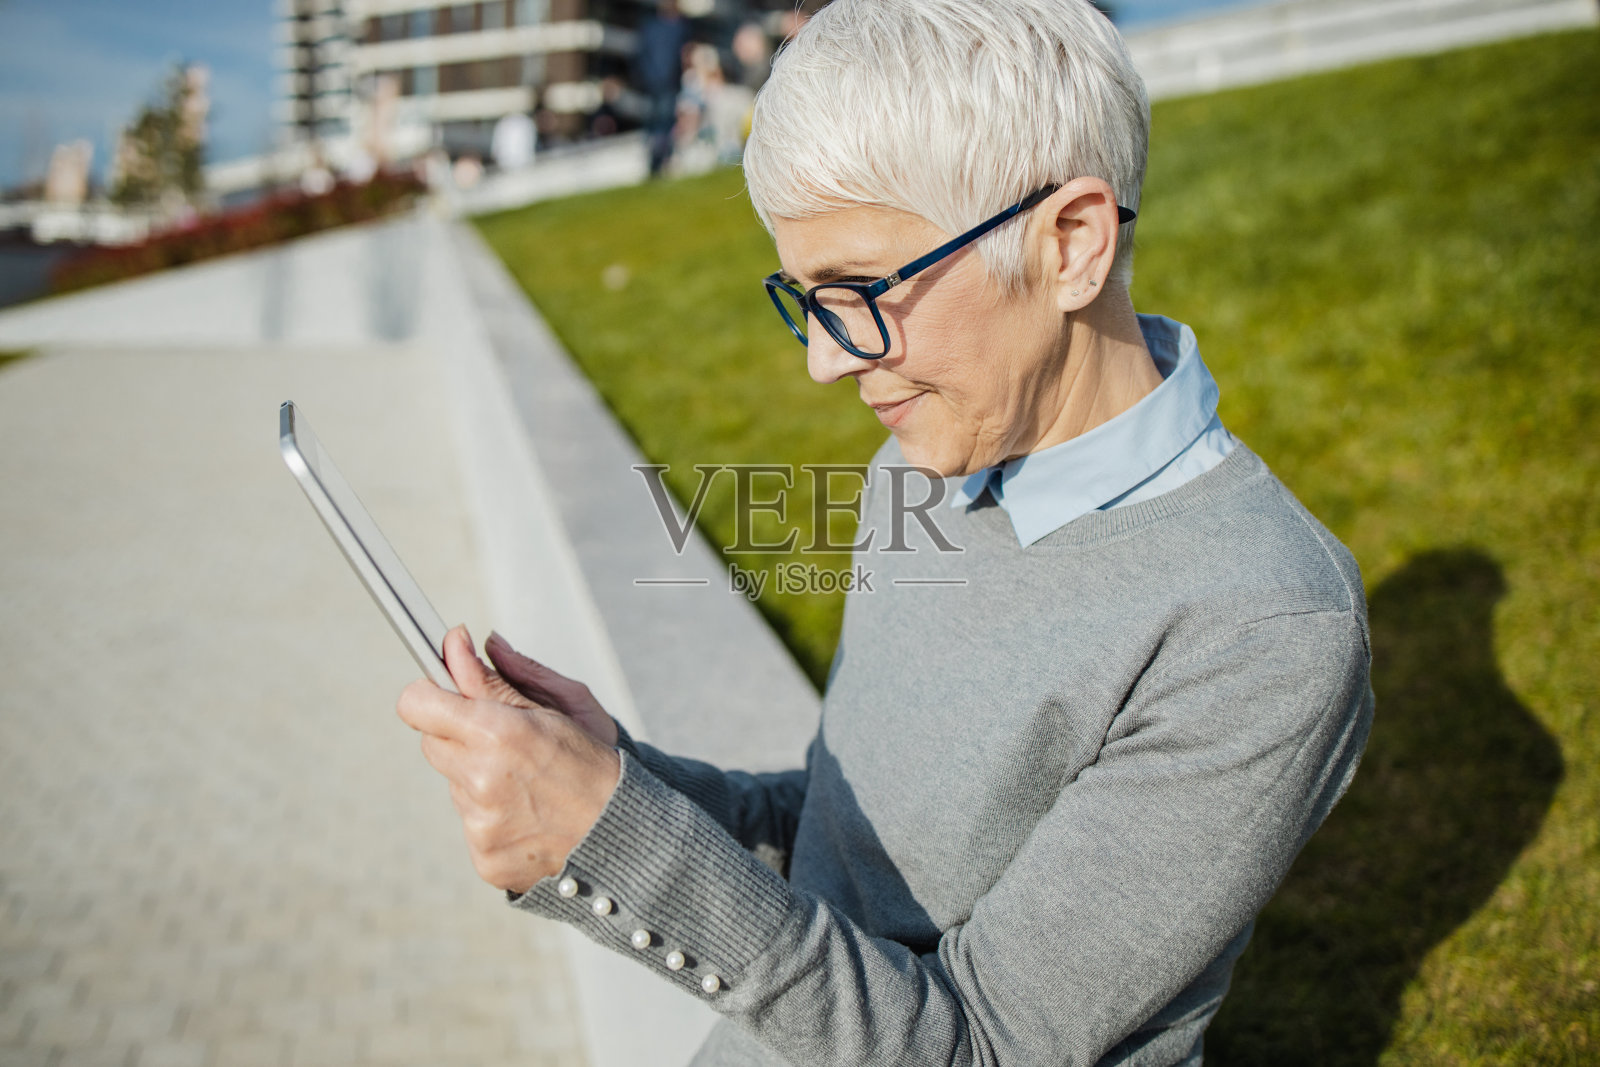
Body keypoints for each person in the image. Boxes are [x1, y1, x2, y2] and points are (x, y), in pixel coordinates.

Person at [395, 1, 1375, 1064]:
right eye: (804, 298)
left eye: (856, 290)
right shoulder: (915, 472)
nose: (823, 360)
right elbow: (844, 835)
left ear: (1071, 242)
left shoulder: (1265, 627)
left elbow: (982, 1044)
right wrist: (611, 781)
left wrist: (618, 840)